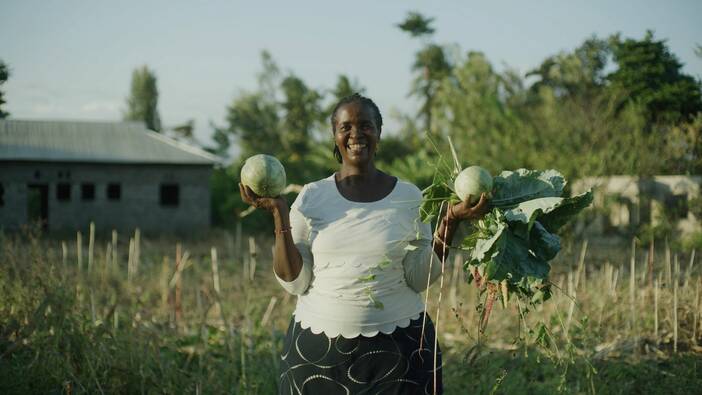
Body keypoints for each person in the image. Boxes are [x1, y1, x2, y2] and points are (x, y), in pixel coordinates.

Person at [240, 93, 488, 394]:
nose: (356, 134)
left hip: (400, 352)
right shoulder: (311, 197)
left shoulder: (409, 197)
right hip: (318, 356)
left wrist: (450, 220)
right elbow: (295, 282)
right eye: (346, 127)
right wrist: (280, 213)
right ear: (335, 135)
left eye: (366, 125)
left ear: (379, 133)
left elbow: (418, 278)